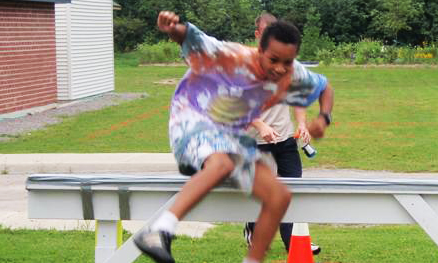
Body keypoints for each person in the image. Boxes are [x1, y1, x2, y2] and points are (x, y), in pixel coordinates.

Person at [133, 11, 334, 263]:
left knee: (279, 196)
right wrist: (173, 28)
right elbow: (192, 38)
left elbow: (325, 87)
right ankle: (159, 230)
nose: (279, 68)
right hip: (192, 120)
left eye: (287, 62)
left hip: (231, 138)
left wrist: (324, 117)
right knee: (223, 162)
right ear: (260, 48)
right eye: (273, 60)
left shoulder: (292, 72)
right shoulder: (232, 55)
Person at [244, 12, 320, 255]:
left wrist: (302, 124)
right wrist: (261, 125)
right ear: (258, 35)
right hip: (255, 141)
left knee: (291, 190)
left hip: (285, 139)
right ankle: (252, 229)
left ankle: (295, 244)